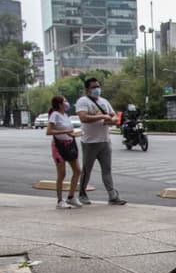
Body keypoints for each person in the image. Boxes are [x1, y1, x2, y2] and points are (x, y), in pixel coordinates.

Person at [75, 77, 126, 205]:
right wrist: (102, 116)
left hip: (105, 141)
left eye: (98, 86)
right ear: (87, 89)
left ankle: (112, 196)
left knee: (107, 170)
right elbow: (83, 118)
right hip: (90, 142)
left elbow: (113, 117)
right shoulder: (83, 101)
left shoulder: (104, 101)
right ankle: (82, 194)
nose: (97, 89)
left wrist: (112, 120)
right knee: (87, 170)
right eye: (93, 87)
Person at [46, 95, 82, 209]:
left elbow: (68, 130)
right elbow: (49, 131)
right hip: (59, 147)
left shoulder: (65, 115)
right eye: (64, 101)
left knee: (77, 170)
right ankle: (60, 200)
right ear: (60, 104)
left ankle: (71, 197)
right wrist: (66, 131)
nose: (67, 103)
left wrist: (72, 134)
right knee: (62, 174)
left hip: (69, 144)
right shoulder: (55, 115)